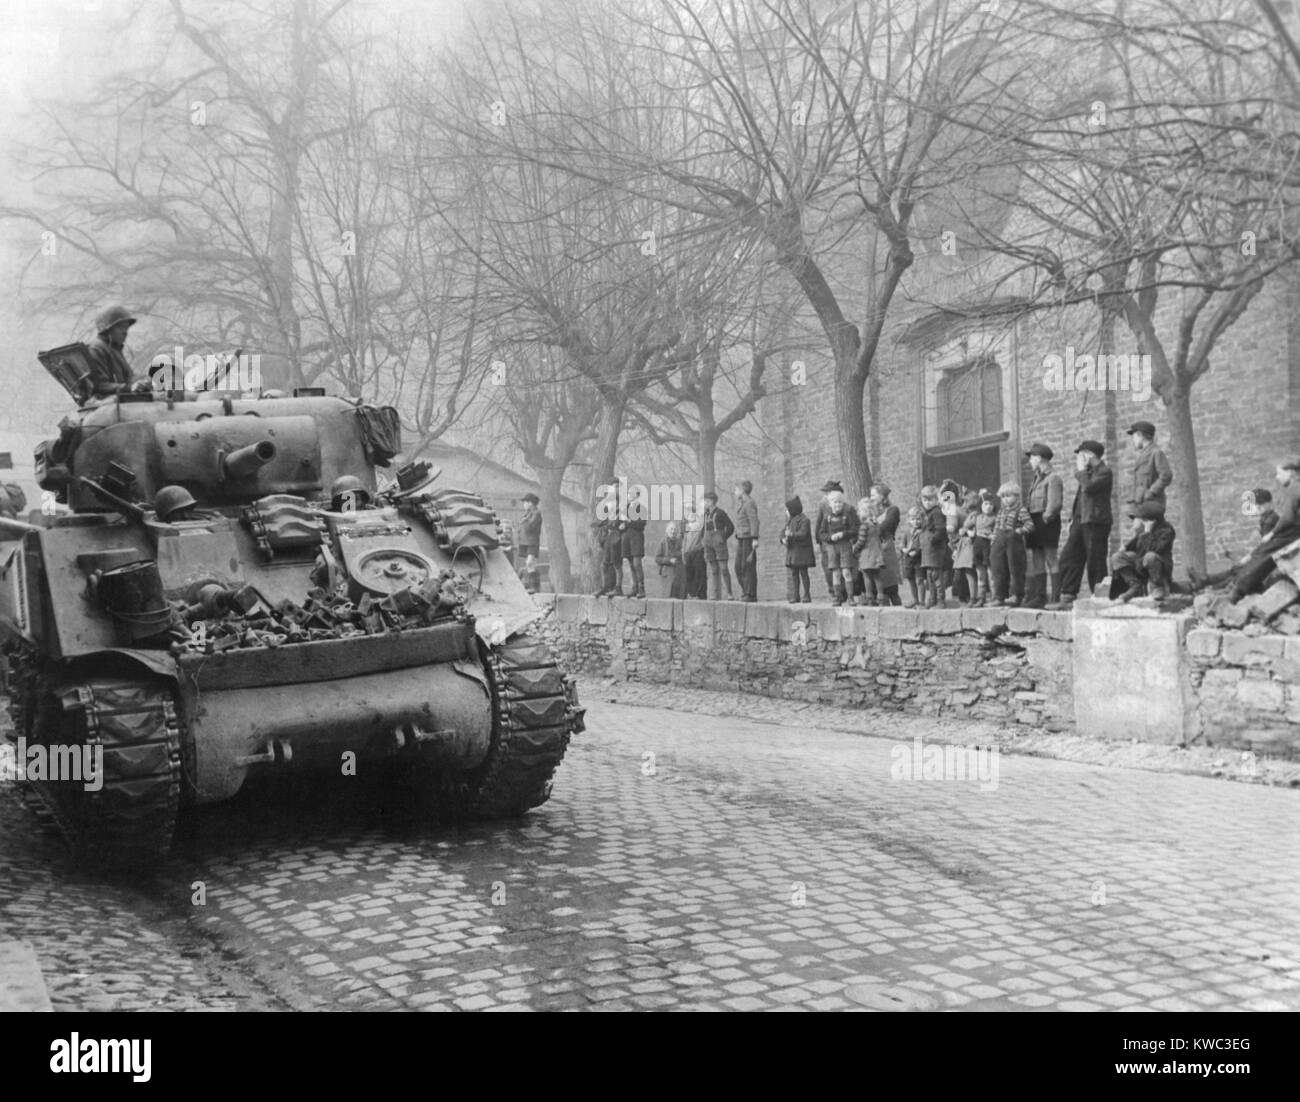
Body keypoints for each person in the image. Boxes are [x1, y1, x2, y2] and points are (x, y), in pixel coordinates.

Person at [1048, 440, 1114, 609]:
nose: (1078, 457)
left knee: (1095, 561)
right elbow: (1080, 498)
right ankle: (1068, 596)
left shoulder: (1104, 472)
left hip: (1096, 521)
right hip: (1080, 521)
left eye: (1081, 454)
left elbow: (1089, 488)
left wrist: (1081, 470)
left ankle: (1099, 599)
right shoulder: (1087, 472)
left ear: (1090, 455)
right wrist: (1072, 519)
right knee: (1068, 558)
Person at [1230, 458, 1300, 603]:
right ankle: (1244, 585)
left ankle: (1240, 589)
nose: (1277, 477)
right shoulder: (1295, 488)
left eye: (1280, 473)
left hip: (1294, 533)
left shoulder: (1295, 489)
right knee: (1263, 552)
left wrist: (1272, 534)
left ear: (1291, 473)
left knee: (1266, 553)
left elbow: (1288, 518)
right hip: (1294, 530)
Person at [1109, 501, 1176, 601]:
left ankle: (1157, 587)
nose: (1137, 520)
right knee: (1117, 557)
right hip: (1142, 563)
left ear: (1150, 520)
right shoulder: (1144, 529)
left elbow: (1155, 549)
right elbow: (1135, 545)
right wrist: (1125, 548)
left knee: (1150, 556)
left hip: (1160, 566)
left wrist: (1147, 533)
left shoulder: (1166, 530)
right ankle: (1134, 585)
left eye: (1141, 518)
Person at [1024, 443, 1064, 608]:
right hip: (1034, 521)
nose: (1030, 462)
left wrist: (1045, 520)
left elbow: (1054, 504)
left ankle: (1055, 597)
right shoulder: (1036, 478)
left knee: (1050, 558)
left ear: (1039, 458)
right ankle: (1040, 597)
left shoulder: (1053, 478)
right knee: (1037, 559)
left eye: (1032, 458)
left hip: (1046, 522)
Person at [989, 482, 1034, 606]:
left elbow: (1029, 525)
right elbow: (997, 526)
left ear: (1016, 496)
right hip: (999, 541)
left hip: (1013, 542)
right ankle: (999, 597)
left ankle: (1016, 595)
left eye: (1008, 496)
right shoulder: (1001, 511)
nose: (1005, 499)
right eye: (1003, 497)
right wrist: (994, 537)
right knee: (998, 568)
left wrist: (1018, 531)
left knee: (1015, 568)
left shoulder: (1021, 510)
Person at [83, 306, 138, 401]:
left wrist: (143, 382)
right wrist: (128, 388)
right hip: (108, 403)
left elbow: (129, 378)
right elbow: (99, 386)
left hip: (122, 401)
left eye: (126, 328)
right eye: (121, 327)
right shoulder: (97, 348)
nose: (125, 332)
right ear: (107, 330)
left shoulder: (115, 349)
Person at [1124, 420, 1173, 513]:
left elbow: (1166, 475)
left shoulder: (1156, 453)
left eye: (1134, 437)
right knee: (1137, 524)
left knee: (1137, 527)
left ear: (1140, 435)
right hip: (1140, 502)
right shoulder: (1143, 454)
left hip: (1153, 502)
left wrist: (1152, 491)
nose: (1133, 440)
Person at [820, 490, 859, 606]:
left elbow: (854, 530)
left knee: (846, 571)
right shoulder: (826, 518)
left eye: (840, 503)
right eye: (835, 502)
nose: (838, 505)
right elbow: (821, 534)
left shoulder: (847, 516)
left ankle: (850, 597)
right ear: (830, 504)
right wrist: (830, 537)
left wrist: (843, 534)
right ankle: (837, 597)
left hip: (845, 546)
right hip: (832, 548)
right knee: (835, 573)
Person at [868, 484, 902, 606]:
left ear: (882, 496)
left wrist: (870, 530)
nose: (871, 498)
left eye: (873, 495)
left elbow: (886, 526)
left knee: (890, 586)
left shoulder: (892, 510)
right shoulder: (871, 511)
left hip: (886, 548)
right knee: (878, 587)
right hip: (873, 549)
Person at [779, 495, 815, 604]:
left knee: (804, 573)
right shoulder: (790, 521)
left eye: (788, 509)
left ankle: (807, 595)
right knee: (794, 573)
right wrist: (782, 539)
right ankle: (796, 595)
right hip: (793, 551)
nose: (786, 512)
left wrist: (791, 534)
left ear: (793, 510)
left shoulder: (805, 520)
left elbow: (803, 534)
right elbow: (782, 532)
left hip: (802, 552)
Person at [814, 479, 844, 601]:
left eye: (827, 492)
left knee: (834, 566)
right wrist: (819, 539)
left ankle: (839, 592)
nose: (826, 495)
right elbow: (819, 522)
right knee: (830, 567)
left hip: (838, 540)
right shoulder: (824, 503)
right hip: (829, 540)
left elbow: (819, 522)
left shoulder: (836, 503)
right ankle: (835, 592)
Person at [701, 491, 735, 601]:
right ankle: (714, 594)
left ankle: (729, 593)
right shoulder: (705, 514)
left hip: (718, 542)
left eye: (706, 501)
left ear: (711, 502)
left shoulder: (721, 513)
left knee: (724, 569)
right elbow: (703, 529)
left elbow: (730, 527)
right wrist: (703, 539)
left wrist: (722, 537)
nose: (704, 503)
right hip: (708, 543)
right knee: (713, 570)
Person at [918, 485, 947, 608]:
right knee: (929, 574)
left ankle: (940, 599)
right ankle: (932, 598)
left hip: (934, 549)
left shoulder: (936, 512)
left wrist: (931, 539)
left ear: (936, 500)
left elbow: (940, 529)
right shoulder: (926, 513)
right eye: (925, 500)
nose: (927, 503)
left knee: (935, 574)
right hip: (927, 550)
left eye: (930, 500)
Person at [852, 495, 884, 605]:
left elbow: (861, 541)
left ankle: (869, 598)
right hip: (877, 554)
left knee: (867, 576)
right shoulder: (876, 524)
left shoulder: (864, 526)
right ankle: (881, 598)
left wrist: (854, 549)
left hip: (866, 554)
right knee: (877, 576)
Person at [732, 480, 760, 602]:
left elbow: (754, 521)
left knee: (748, 567)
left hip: (748, 539)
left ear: (742, 490)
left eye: (736, 490)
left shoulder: (749, 503)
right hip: (741, 538)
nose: (735, 492)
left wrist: (755, 538)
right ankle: (746, 591)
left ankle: (750, 594)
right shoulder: (744, 503)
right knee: (738, 566)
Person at [971, 489, 997, 606]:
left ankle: (994, 596)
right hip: (977, 546)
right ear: (981, 505)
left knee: (990, 572)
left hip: (988, 546)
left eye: (991, 504)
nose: (988, 507)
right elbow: (966, 527)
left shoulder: (995, 518)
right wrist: (968, 531)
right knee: (980, 573)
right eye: (986, 504)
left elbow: (996, 532)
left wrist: (991, 535)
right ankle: (981, 597)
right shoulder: (976, 517)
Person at [620, 487, 647, 598]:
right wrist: (623, 524)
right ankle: (634, 587)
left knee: (637, 564)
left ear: (637, 495)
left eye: (632, 494)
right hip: (627, 538)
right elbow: (621, 522)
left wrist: (628, 523)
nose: (629, 495)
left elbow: (641, 524)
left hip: (636, 538)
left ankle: (641, 588)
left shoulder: (641, 508)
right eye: (628, 494)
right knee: (631, 564)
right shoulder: (625, 508)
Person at [900, 506, 925, 607]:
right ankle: (915, 599)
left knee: (919, 579)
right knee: (911, 579)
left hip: (919, 558)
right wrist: (904, 549)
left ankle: (922, 601)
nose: (916, 522)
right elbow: (902, 544)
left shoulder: (922, 532)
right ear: (909, 520)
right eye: (913, 519)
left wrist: (917, 551)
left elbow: (923, 544)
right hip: (908, 559)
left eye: (918, 519)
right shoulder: (907, 532)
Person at [682, 510, 708, 599]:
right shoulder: (687, 528)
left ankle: (699, 594)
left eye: (694, 515)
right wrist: (683, 554)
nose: (691, 517)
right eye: (690, 515)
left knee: (699, 574)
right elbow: (684, 543)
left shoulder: (700, 526)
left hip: (698, 552)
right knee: (689, 575)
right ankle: (691, 593)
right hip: (688, 553)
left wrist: (702, 545)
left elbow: (704, 530)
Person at [654, 521, 683, 598]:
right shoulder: (663, 542)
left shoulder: (681, 542)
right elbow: (657, 558)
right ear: (667, 531)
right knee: (667, 597)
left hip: (678, 575)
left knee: (678, 598)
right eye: (671, 529)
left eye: (675, 529)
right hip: (667, 575)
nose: (673, 531)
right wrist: (669, 560)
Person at [517, 492, 543, 562]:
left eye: (525, 502)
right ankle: (530, 573)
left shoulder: (536, 514)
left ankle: (533, 573)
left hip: (532, 542)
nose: (524, 504)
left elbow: (529, 527)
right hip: (524, 541)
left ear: (530, 503)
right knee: (527, 564)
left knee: (529, 563)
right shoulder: (527, 513)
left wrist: (524, 521)